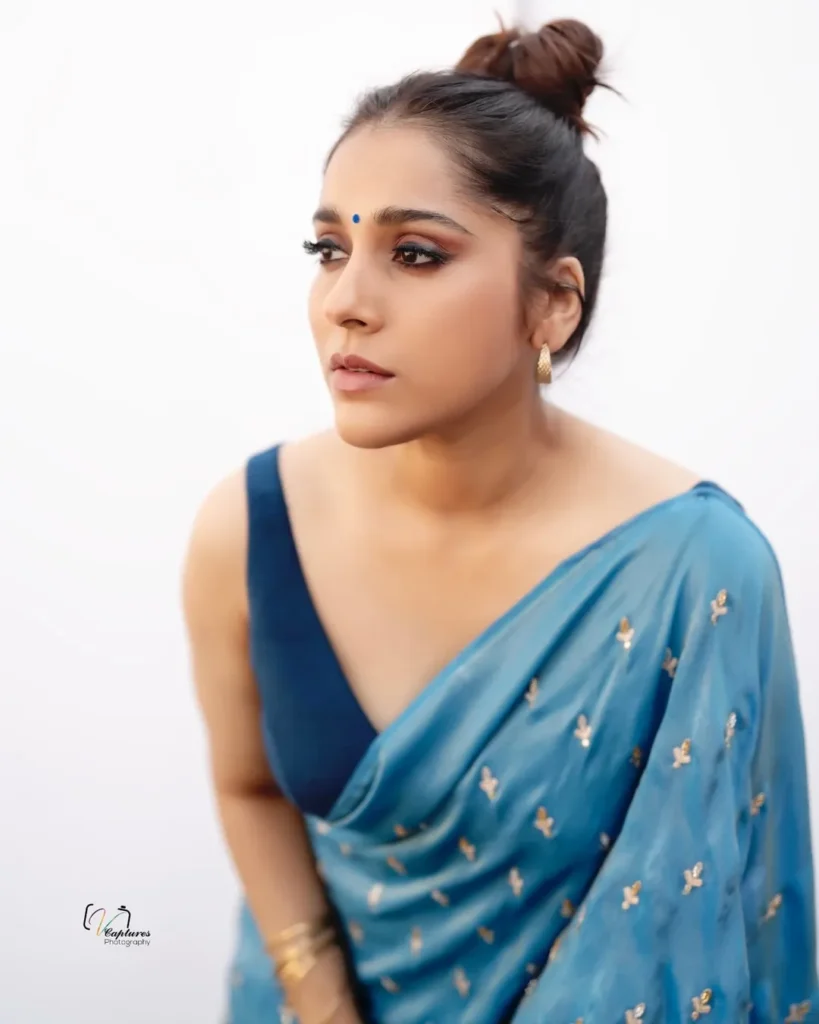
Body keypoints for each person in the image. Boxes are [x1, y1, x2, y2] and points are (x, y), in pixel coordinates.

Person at [181, 16, 818, 1024]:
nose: (345, 300)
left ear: (553, 304)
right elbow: (248, 787)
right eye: (328, 248)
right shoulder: (252, 529)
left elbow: (719, 909)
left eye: (414, 254)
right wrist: (319, 993)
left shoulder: (695, 570)